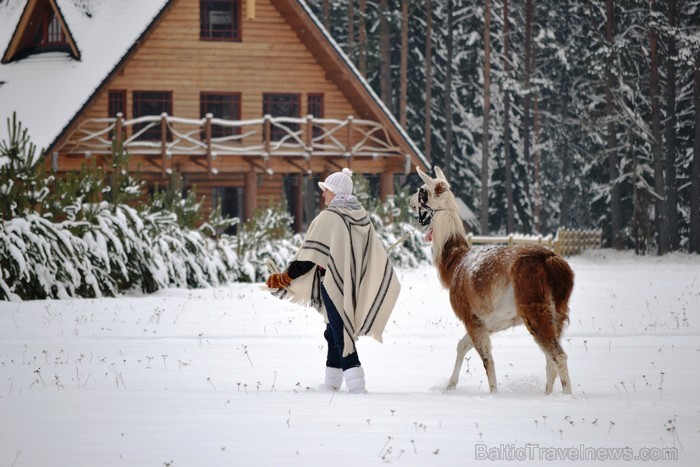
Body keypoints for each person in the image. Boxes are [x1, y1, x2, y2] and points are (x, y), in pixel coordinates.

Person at [265, 168, 401, 393]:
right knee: (332, 332)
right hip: (353, 281)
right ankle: (331, 383)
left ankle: (357, 387)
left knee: (340, 332)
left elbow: (310, 257)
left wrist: (286, 277)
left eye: (326, 190)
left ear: (336, 192)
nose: (323, 195)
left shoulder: (331, 216)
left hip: (334, 282)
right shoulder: (359, 215)